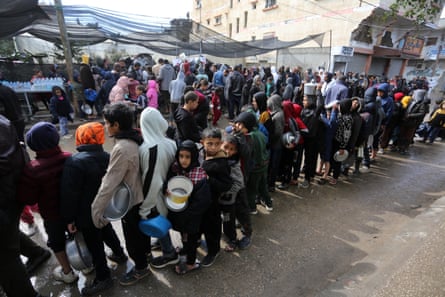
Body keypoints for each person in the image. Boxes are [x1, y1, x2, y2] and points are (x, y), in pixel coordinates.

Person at [60, 122, 128, 295]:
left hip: (85, 214)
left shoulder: (74, 162)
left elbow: (70, 194)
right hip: (105, 208)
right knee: (106, 229)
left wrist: (69, 219)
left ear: (80, 138)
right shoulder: (108, 157)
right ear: (99, 138)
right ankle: (120, 254)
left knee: (94, 244)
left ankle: (103, 277)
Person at [91, 103, 148, 286]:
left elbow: (109, 183)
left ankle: (141, 268)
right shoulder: (137, 138)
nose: (105, 126)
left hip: (130, 202)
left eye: (107, 123)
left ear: (116, 125)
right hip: (141, 196)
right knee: (140, 235)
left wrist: (96, 209)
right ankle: (144, 258)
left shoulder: (122, 148)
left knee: (133, 240)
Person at [17, 122, 78, 284]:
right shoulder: (69, 157)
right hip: (73, 210)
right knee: (78, 235)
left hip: (52, 215)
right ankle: (85, 263)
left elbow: (28, 199)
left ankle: (68, 272)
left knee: (56, 242)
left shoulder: (33, 169)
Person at [0, 115, 48, 297]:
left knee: (4, 255)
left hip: (5, 195)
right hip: (13, 191)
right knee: (7, 236)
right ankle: (35, 252)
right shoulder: (4, 121)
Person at [138, 107, 180, 269]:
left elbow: (151, 182)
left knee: (156, 220)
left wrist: (144, 208)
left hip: (156, 195)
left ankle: (169, 253)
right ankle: (164, 244)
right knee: (163, 219)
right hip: (171, 190)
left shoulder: (148, 148)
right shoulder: (170, 142)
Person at [165, 140, 211, 274]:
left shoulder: (199, 175)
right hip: (180, 214)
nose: (183, 160)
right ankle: (185, 250)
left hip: (192, 217)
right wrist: (165, 189)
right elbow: (167, 182)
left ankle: (191, 263)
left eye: (187, 157)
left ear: (194, 157)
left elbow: (203, 201)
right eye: (181, 156)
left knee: (191, 239)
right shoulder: (175, 169)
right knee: (183, 236)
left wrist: (188, 215)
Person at [200, 128, 232, 267]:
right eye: (210, 143)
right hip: (199, 200)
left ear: (221, 144)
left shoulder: (222, 162)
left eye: (217, 144)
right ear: (203, 143)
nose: (213, 147)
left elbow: (226, 184)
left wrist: (209, 179)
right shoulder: (201, 154)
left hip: (212, 201)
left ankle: (214, 251)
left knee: (212, 226)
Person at [233, 112, 272, 213]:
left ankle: (252, 208)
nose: (237, 126)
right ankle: (269, 203)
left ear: (248, 125)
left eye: (240, 124)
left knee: (251, 189)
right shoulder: (260, 133)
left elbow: (248, 155)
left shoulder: (249, 138)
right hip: (264, 165)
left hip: (255, 168)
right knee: (263, 186)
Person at [221, 134, 253, 250]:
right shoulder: (219, 159)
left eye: (232, 149)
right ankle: (231, 238)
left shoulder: (234, 163)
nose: (228, 152)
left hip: (237, 195)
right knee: (227, 218)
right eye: (226, 147)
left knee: (243, 215)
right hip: (226, 199)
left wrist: (228, 192)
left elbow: (239, 183)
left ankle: (247, 235)